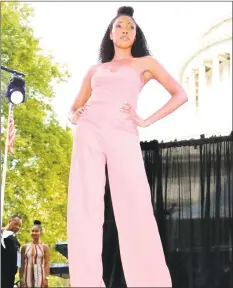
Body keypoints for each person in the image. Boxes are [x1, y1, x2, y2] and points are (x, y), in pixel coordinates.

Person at [67, 6, 188, 288]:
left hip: (123, 133)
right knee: (85, 205)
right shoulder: (95, 69)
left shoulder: (145, 63)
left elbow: (179, 94)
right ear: (110, 34)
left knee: (135, 204)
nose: (125, 30)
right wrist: (74, 116)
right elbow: (73, 107)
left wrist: (145, 120)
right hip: (89, 131)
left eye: (130, 27)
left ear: (135, 35)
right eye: (120, 26)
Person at [20, 220, 50, 288]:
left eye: (36, 231)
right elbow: (22, 265)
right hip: (27, 276)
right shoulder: (25, 247)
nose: (34, 233)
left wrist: (46, 279)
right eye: (32, 231)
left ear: (40, 233)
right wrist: (21, 279)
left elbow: (47, 264)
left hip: (40, 276)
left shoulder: (45, 247)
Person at [1, 215, 22, 288]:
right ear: (10, 221)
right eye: (16, 224)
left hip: (10, 277)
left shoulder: (14, 239)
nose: (17, 227)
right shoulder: (3, 235)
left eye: (19, 226)